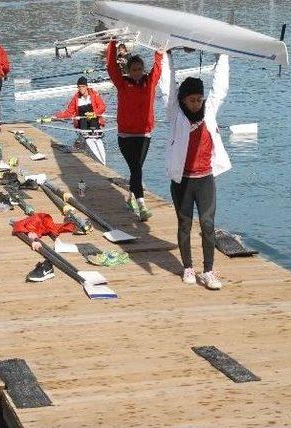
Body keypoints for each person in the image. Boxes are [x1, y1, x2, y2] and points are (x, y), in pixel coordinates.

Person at [159, 49, 232, 290]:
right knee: (184, 224)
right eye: (192, 100)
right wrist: (166, 55)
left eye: (199, 99)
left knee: (208, 225)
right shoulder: (175, 113)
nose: (197, 103)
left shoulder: (209, 111)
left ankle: (209, 271)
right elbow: (167, 88)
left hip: (205, 179)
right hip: (182, 181)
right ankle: (188, 267)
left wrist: (223, 55)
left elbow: (219, 89)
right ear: (183, 100)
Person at [106, 40, 162, 222]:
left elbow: (158, 67)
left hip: (144, 134)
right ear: (128, 71)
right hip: (125, 136)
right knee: (136, 168)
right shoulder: (122, 83)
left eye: (140, 69)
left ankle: (132, 197)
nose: (137, 72)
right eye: (134, 69)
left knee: (136, 169)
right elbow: (111, 67)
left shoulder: (150, 83)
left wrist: (160, 51)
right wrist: (112, 44)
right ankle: (142, 205)